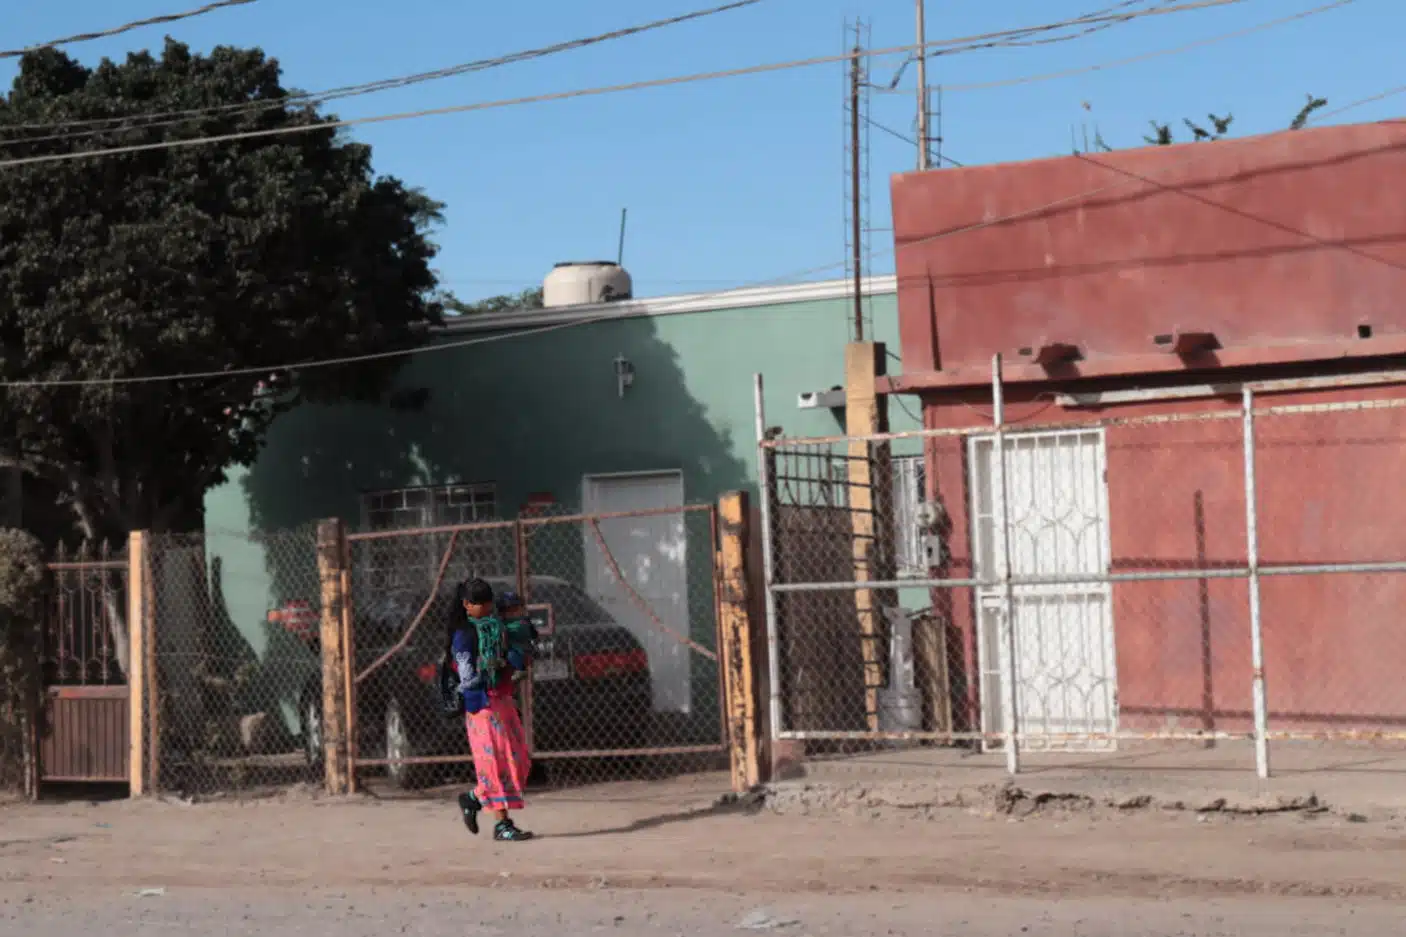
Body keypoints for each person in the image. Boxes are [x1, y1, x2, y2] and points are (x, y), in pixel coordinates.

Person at [448, 578, 534, 842]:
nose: (485, 609)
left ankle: (473, 798)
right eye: (479, 604)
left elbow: (515, 654)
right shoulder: (464, 634)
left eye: (488, 604)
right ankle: (502, 824)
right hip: (481, 705)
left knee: (518, 759)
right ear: (466, 605)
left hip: (503, 699)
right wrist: (486, 668)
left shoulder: (498, 628)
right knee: (494, 764)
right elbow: (466, 674)